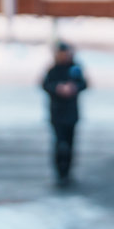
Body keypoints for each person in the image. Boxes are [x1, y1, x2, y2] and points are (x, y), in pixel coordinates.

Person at [41, 42, 88, 187]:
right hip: (57, 114)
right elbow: (45, 85)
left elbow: (84, 84)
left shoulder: (75, 68)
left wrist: (74, 88)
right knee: (59, 144)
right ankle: (59, 174)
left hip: (72, 114)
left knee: (70, 144)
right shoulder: (53, 69)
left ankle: (68, 173)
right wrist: (58, 88)